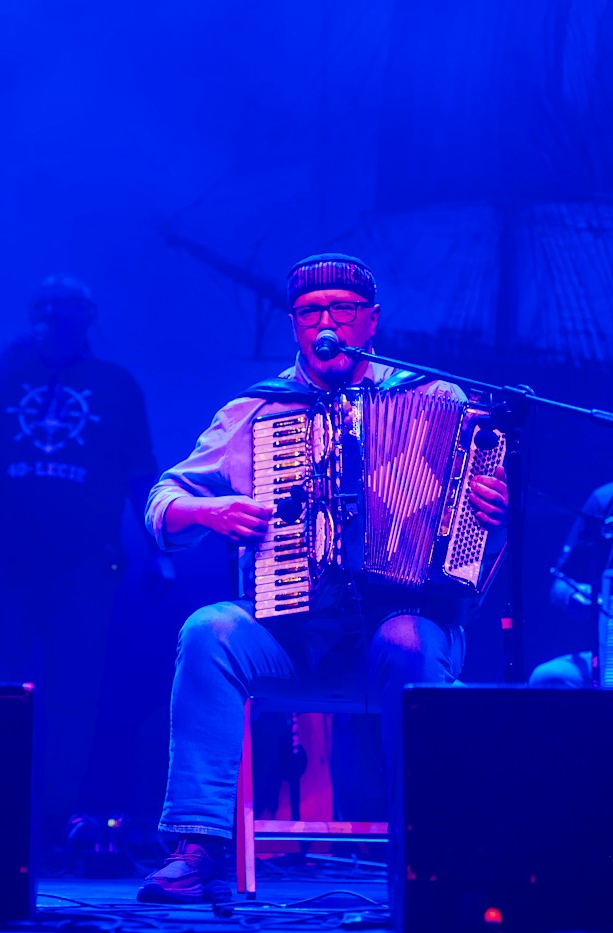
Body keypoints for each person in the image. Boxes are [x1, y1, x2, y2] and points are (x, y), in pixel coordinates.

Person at [136, 254, 509, 903]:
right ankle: (199, 843)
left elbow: (477, 548)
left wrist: (492, 517)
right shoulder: (258, 410)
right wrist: (208, 509)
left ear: (370, 321)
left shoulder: (435, 398)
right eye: (310, 312)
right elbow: (162, 501)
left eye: (341, 310)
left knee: (406, 639)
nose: (325, 322)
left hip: (405, 635)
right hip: (297, 637)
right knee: (210, 629)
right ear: (295, 325)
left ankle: (429, 846)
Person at [0, 274, 162, 845]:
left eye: (65, 309)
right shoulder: (4, 371)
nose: (53, 317)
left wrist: (161, 554)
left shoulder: (116, 385)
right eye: (44, 308)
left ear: (87, 316)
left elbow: (142, 474)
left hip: (85, 564)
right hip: (6, 559)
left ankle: (55, 817)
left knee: (74, 693)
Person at [528, 481, 613, 687]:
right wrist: (575, 597)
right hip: (608, 658)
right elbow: (561, 584)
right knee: (548, 678)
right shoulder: (605, 500)